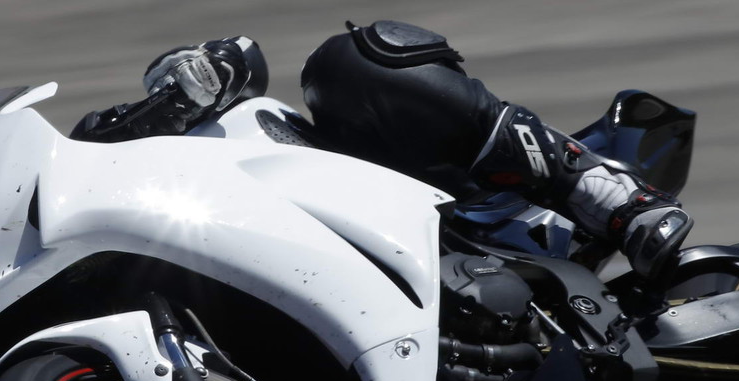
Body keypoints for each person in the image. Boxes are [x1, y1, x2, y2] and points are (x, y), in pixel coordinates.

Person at [73, 20, 691, 282]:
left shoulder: (208, 121)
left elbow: (241, 56)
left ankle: (608, 194)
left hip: (444, 229)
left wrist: (187, 89)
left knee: (354, 60)